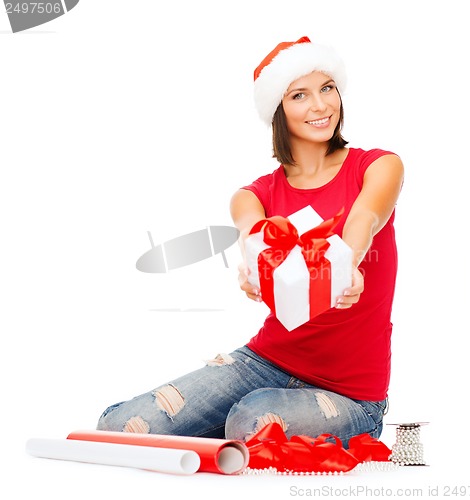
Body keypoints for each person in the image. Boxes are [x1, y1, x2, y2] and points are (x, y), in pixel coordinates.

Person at [96, 36, 404, 448]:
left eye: (327, 88)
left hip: (348, 393)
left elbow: (365, 217)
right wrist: (255, 270)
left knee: (251, 421)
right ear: (278, 110)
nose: (320, 106)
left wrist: (347, 264)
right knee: (121, 426)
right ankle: (218, 434)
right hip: (264, 362)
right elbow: (253, 234)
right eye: (300, 95)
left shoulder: (379, 166)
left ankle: (238, 433)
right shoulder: (253, 194)